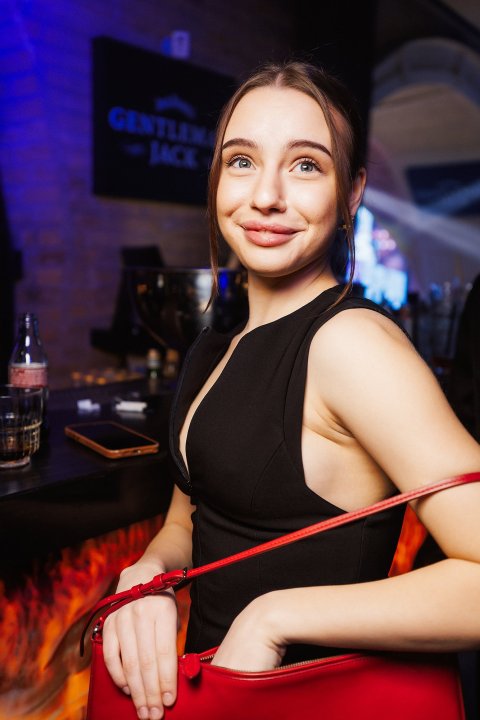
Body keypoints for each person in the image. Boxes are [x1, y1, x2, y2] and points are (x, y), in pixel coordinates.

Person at [102, 61, 480, 720]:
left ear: (352, 192)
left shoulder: (351, 345)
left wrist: (276, 616)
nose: (266, 196)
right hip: (211, 699)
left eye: (306, 165)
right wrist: (149, 574)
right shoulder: (218, 340)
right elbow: (190, 518)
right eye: (241, 161)